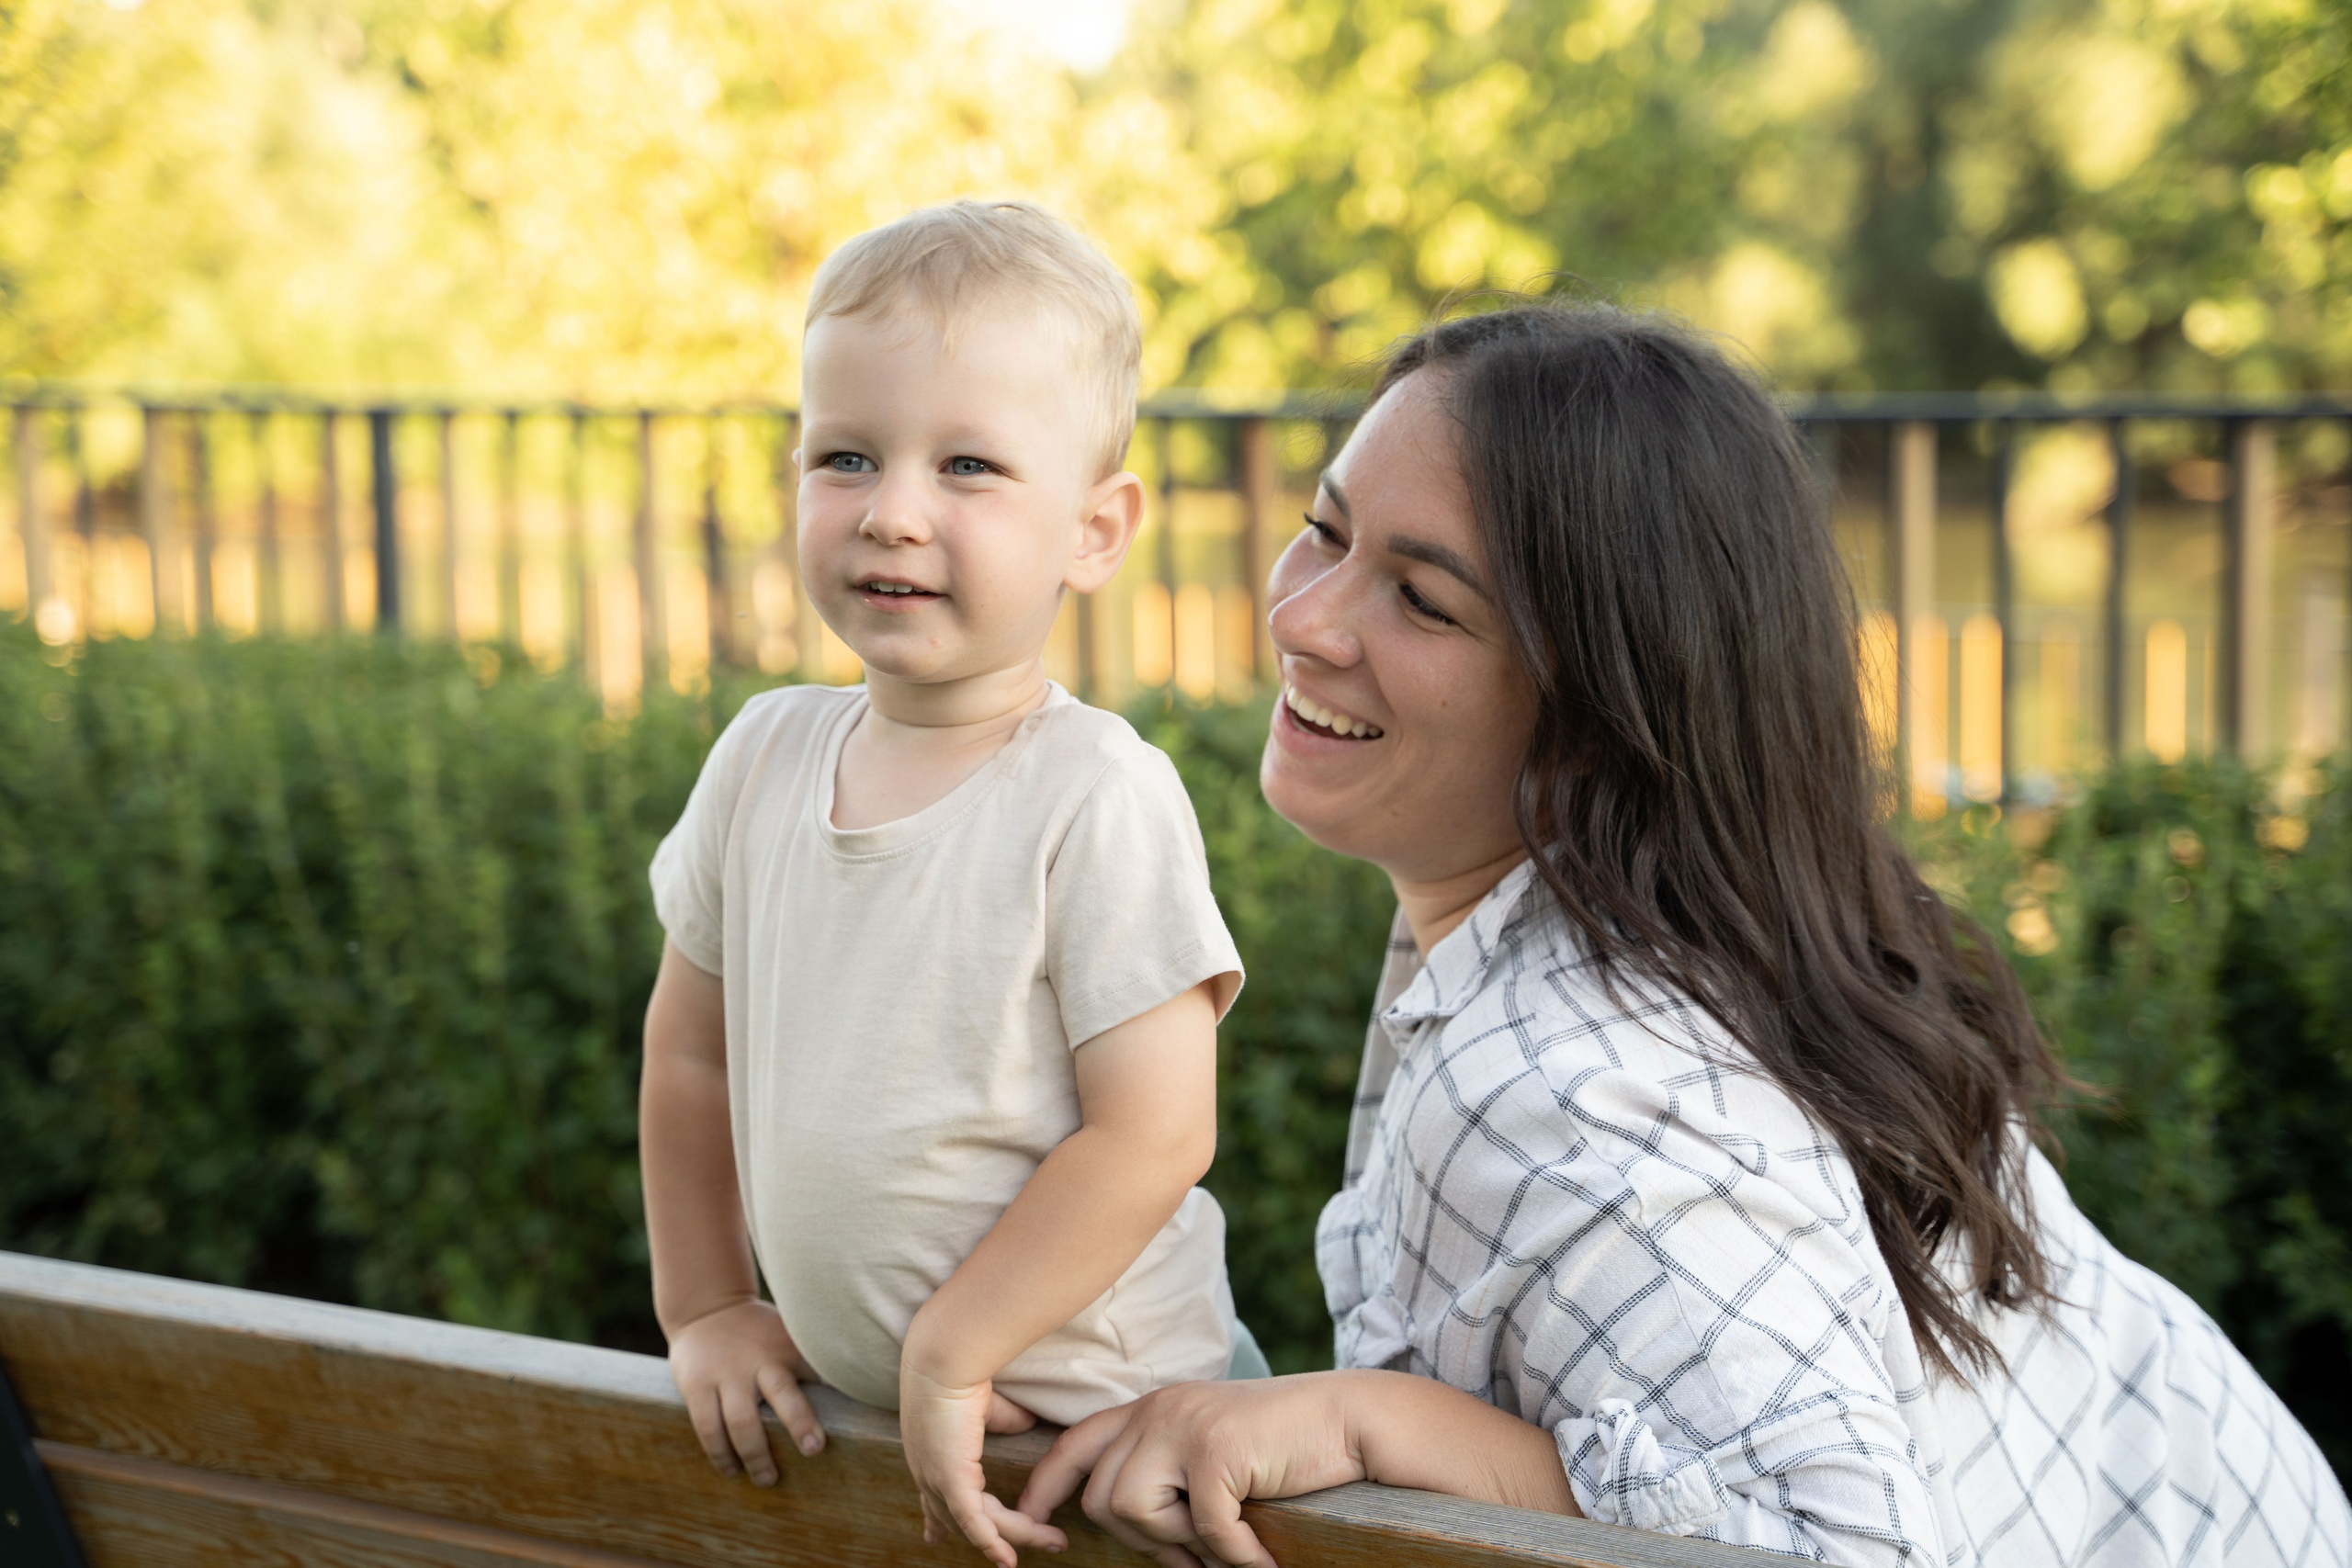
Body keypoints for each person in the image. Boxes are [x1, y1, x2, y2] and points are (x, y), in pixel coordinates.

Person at [1017, 302, 2352, 1568]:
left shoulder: (1574, 1092)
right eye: (1326, 528)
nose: (1303, 617)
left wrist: (1370, 1420)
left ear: (1604, 701)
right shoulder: (1729, 922)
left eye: (1424, 600)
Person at [638, 199, 1253, 1568]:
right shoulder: (761, 759)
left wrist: (957, 1351)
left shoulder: (1094, 794)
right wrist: (706, 1310)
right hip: (907, 1430)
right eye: (846, 456)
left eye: (968, 465)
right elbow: (689, 1059)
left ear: (1095, 532)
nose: (895, 513)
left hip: (1120, 1450)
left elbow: (1154, 1135)